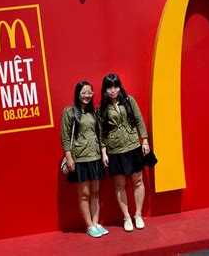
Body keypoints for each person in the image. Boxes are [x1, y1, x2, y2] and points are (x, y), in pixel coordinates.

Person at [97, 73, 150, 232]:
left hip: (133, 146)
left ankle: (138, 215)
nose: (113, 91)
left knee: (138, 181)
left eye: (115, 86)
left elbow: (139, 120)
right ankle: (126, 217)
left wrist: (145, 140)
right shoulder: (101, 108)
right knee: (120, 184)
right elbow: (101, 131)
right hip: (115, 150)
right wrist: (104, 152)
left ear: (119, 87)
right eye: (109, 87)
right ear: (105, 90)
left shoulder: (129, 100)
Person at [61, 81, 108, 238]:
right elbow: (65, 137)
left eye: (89, 93)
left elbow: (99, 134)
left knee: (96, 191)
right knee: (85, 194)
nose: (87, 95)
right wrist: (69, 157)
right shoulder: (69, 111)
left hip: (95, 157)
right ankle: (89, 226)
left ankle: (96, 223)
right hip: (79, 158)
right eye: (83, 93)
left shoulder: (93, 113)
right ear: (77, 93)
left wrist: (103, 153)